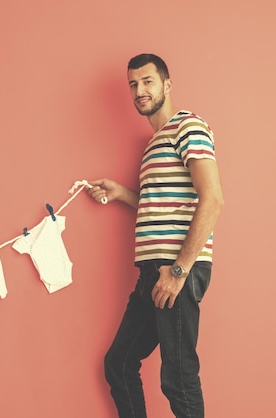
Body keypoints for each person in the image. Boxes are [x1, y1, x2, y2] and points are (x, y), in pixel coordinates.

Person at [87, 53, 224, 418]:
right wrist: (122, 193)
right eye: (133, 84)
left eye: (147, 81)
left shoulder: (188, 127)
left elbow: (213, 199)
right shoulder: (154, 144)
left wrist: (178, 270)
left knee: (178, 377)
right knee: (119, 362)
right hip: (153, 272)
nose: (139, 90)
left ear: (167, 83)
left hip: (175, 270)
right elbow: (164, 206)